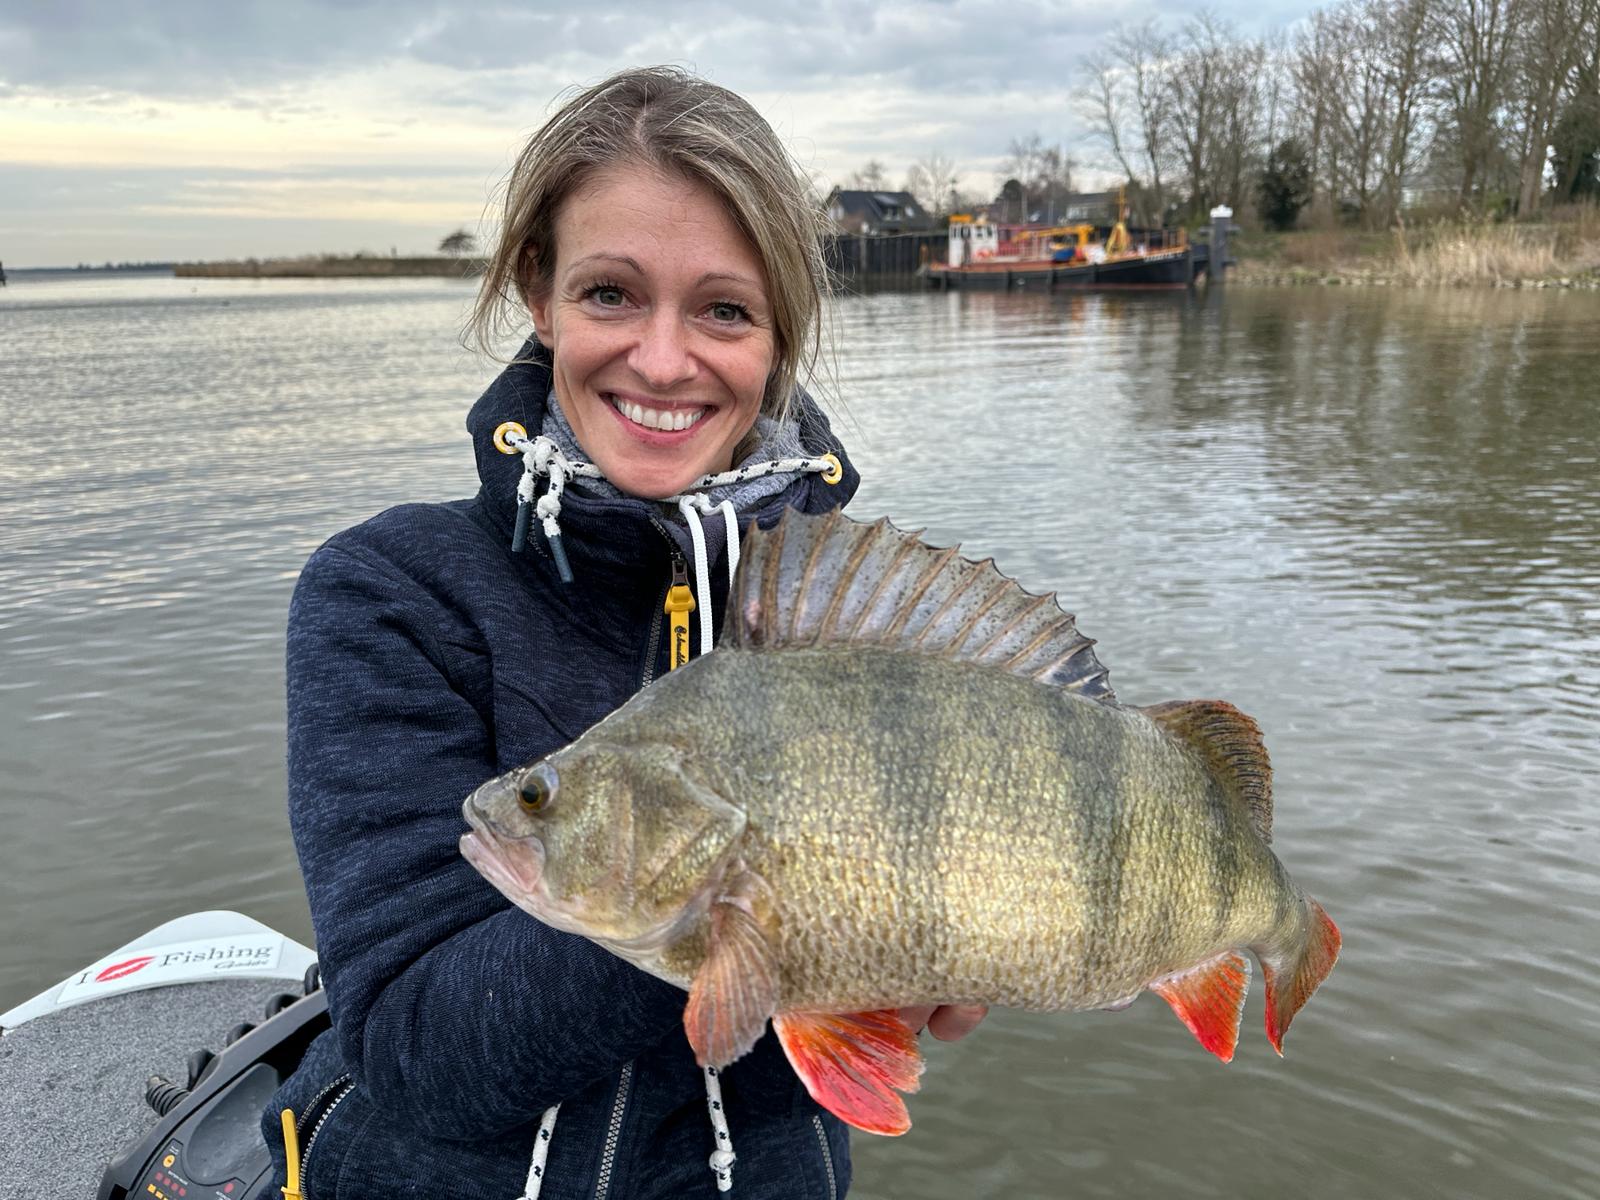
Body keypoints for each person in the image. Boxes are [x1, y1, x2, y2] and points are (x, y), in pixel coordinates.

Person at [262, 66, 982, 1200]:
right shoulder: (391, 594)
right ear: (537, 293)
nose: (661, 358)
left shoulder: (861, 636)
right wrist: (728, 905)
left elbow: (910, 986)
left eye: (724, 309)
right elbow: (416, 1050)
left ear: (778, 336)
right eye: (610, 293)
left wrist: (915, 950)